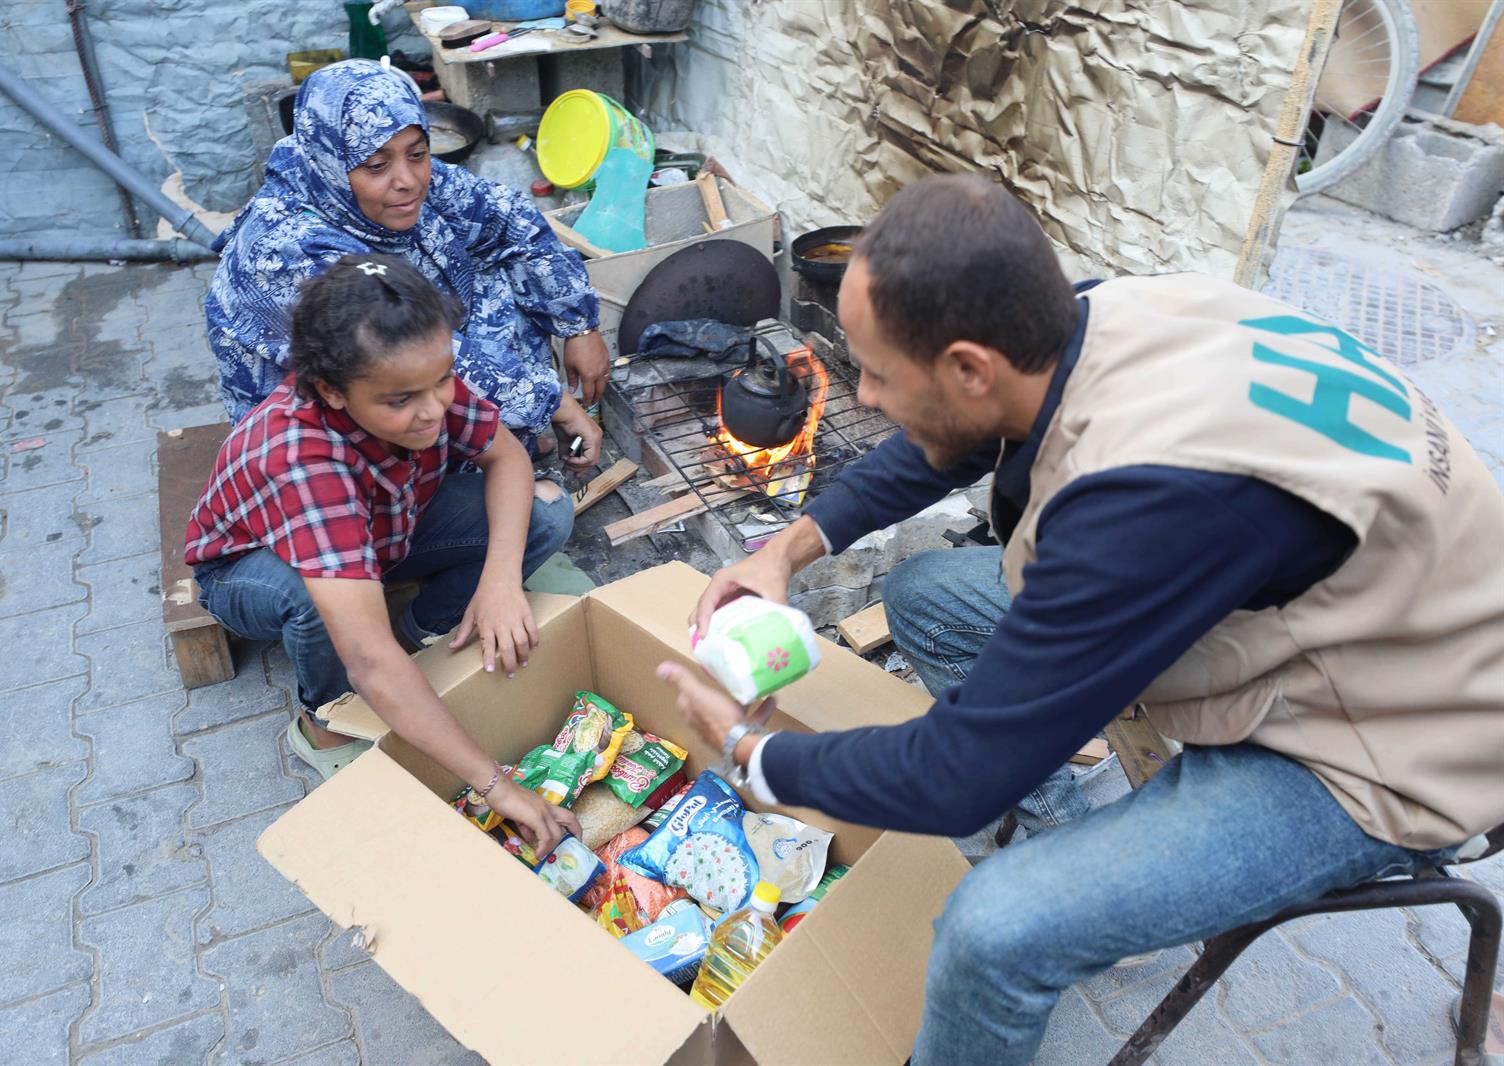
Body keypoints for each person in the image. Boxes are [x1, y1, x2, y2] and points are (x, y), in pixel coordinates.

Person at [656, 175, 1504, 1064]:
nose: (860, 394)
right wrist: (787, 548)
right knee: (927, 598)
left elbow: (956, 777)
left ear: (970, 366)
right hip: (1318, 609)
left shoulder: (1151, 504)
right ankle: (1068, 828)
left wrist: (758, 757)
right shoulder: (1098, 319)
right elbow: (942, 441)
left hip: (1389, 733)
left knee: (996, 930)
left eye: (875, 372)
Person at [186, 255, 582, 851]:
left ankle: (417, 634)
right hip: (251, 568)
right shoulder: (302, 459)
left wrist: (499, 583)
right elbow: (368, 660)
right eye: (400, 401)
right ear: (331, 391)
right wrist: (495, 786)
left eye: (443, 381)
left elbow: (508, 458)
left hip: (382, 531)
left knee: (545, 512)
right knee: (314, 604)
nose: (431, 410)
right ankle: (324, 721)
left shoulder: (417, 377)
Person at [204, 59, 607, 491]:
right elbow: (403, 350)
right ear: (332, 161)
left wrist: (579, 326)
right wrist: (553, 402)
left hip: (406, 369)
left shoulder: (402, 180)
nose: (408, 181)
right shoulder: (286, 247)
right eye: (376, 165)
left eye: (417, 154)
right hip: (335, 423)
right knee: (528, 507)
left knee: (503, 281)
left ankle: (499, 450)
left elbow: (509, 219)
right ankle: (455, 487)